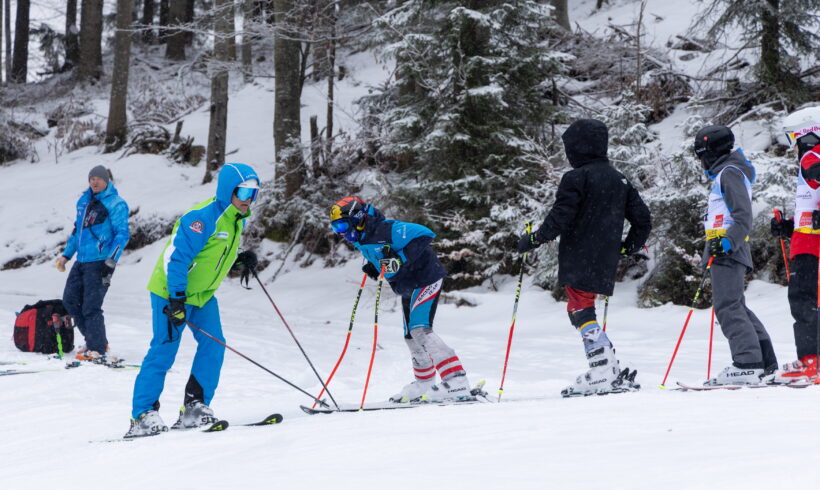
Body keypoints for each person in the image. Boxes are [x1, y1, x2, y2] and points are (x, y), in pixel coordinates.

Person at [517, 119, 651, 396]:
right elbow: (643, 219)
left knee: (580, 309)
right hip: (605, 256)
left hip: (579, 252)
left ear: (578, 148)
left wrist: (534, 238)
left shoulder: (576, 178)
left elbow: (561, 216)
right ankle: (608, 364)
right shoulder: (619, 178)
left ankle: (602, 368)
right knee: (578, 309)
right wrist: (628, 246)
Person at [125, 163, 260, 438]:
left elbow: (213, 255)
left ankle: (194, 408)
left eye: (253, 193)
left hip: (202, 296)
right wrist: (176, 298)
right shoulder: (201, 218)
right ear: (228, 190)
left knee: (214, 345)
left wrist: (239, 258)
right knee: (164, 350)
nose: (248, 199)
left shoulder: (235, 218)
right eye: (244, 191)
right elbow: (177, 257)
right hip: (171, 293)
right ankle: (142, 414)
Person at [330, 196, 474, 403]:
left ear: (358, 218)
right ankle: (424, 383)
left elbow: (424, 235)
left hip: (426, 278)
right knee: (410, 336)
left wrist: (400, 259)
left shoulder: (386, 229)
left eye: (343, 225)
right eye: (337, 228)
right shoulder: (361, 237)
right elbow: (379, 252)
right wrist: (373, 264)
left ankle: (457, 381)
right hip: (408, 285)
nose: (341, 232)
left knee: (420, 330)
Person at [693, 125, 777, 385]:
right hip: (724, 247)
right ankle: (764, 361)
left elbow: (743, 216)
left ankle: (747, 363)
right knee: (735, 304)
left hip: (728, 249)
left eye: (701, 154)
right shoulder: (726, 173)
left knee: (727, 306)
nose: (700, 161)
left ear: (710, 152)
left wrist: (727, 243)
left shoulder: (729, 173)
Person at [55, 165, 130, 360]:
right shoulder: (83, 201)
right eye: (91, 179)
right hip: (81, 261)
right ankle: (94, 340)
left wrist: (111, 260)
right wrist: (66, 256)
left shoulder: (116, 204)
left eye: (98, 178)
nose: (94, 182)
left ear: (106, 181)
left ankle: (97, 349)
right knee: (69, 300)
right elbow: (77, 232)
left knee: (91, 306)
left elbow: (122, 235)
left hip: (100, 262)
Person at [769, 106, 820, 383]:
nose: (794, 145)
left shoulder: (812, 155)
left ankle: (810, 362)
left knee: (803, 301)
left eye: (794, 137)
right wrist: (788, 226)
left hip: (811, 245)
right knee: (808, 300)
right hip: (804, 239)